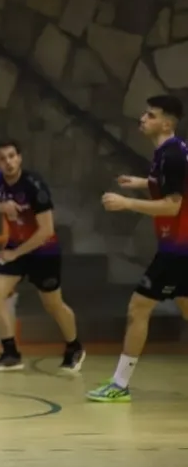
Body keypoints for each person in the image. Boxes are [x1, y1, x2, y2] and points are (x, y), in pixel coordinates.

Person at [88, 95, 188, 403]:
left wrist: (126, 203)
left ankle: (119, 384)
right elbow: (170, 183)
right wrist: (141, 182)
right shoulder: (167, 153)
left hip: (178, 248)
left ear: (166, 123)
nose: (142, 119)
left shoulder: (171, 155)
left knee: (138, 308)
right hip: (180, 246)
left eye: (150, 115)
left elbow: (172, 207)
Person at [0, 139, 86, 374]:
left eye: (12, 156)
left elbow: (47, 230)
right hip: (15, 247)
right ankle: (11, 354)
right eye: (3, 158)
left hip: (43, 250)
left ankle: (74, 347)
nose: (9, 162)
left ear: (20, 158)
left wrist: (14, 253)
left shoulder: (34, 184)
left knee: (53, 304)